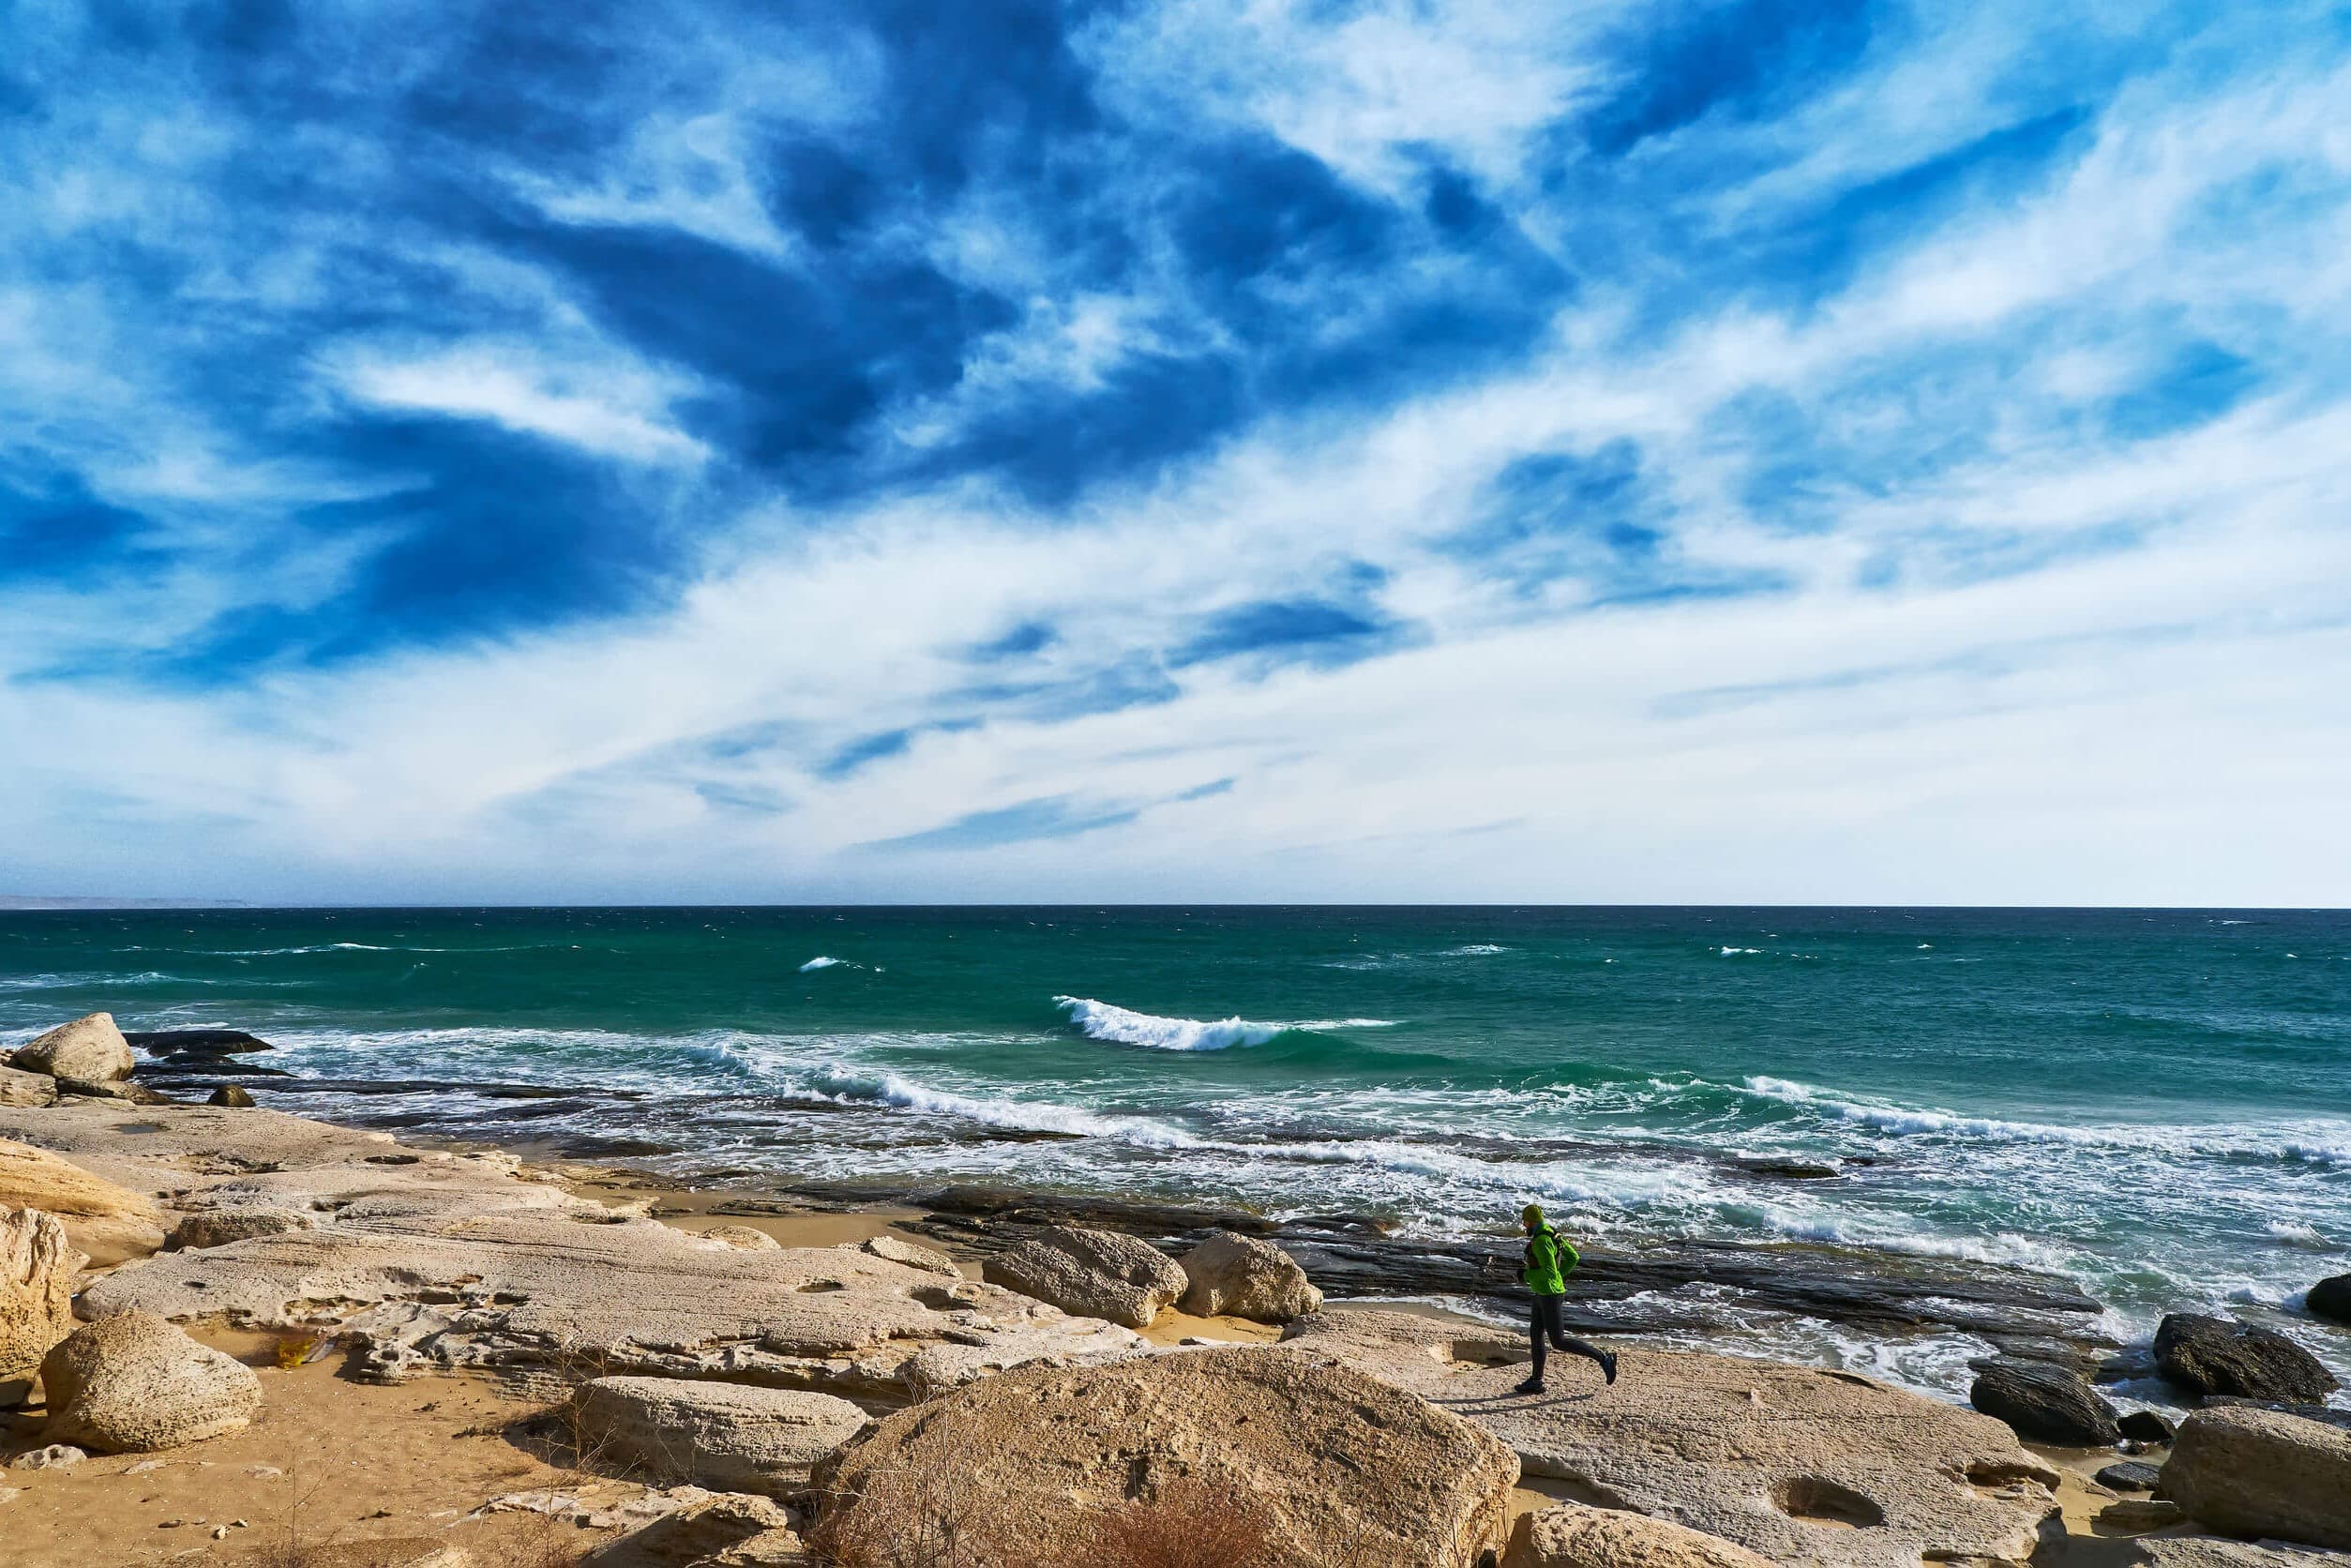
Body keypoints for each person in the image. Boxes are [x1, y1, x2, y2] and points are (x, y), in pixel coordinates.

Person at [1515, 1203, 1616, 1395]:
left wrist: (1526, 1276)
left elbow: (1548, 1271)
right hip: (1542, 1293)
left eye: (1525, 1221)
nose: (1524, 1225)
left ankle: (1604, 1358)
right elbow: (1573, 1257)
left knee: (1558, 1341)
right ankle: (1536, 1381)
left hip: (1549, 1295)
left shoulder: (1542, 1241)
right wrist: (1558, 1277)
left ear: (1530, 1221)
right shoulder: (1552, 1234)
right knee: (1536, 1335)